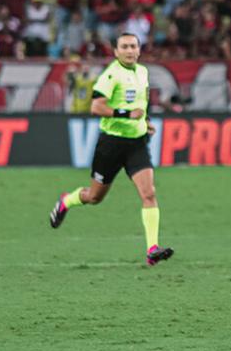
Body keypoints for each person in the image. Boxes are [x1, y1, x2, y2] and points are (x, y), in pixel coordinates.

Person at [48, 33, 173, 267]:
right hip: (111, 144)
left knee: (149, 194)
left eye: (133, 46)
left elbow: (140, 104)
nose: (130, 50)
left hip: (136, 143)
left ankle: (152, 249)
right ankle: (67, 200)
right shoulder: (110, 75)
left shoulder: (143, 72)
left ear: (139, 49)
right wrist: (125, 115)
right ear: (116, 52)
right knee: (94, 197)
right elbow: (95, 107)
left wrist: (144, 122)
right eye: (124, 47)